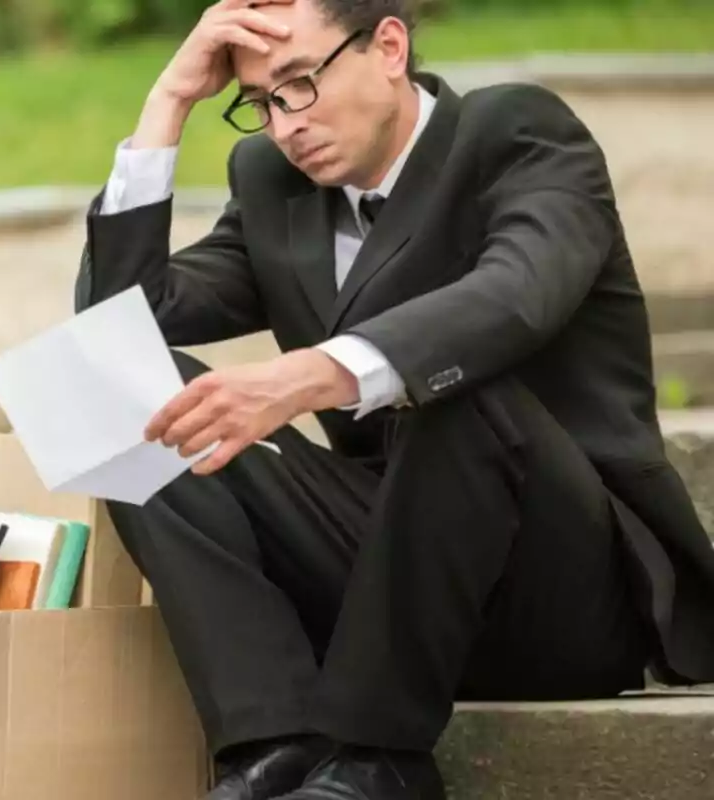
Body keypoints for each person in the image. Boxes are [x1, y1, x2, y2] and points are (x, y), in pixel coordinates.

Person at [74, 1, 714, 798]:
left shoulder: (516, 135)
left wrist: (311, 375)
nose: (284, 125)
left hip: (563, 583)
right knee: (103, 380)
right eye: (263, 104)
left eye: (299, 84)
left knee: (455, 381)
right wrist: (166, 104)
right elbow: (115, 326)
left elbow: (518, 293)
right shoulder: (276, 186)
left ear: (387, 46)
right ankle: (277, 740)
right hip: (389, 574)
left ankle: (381, 762)